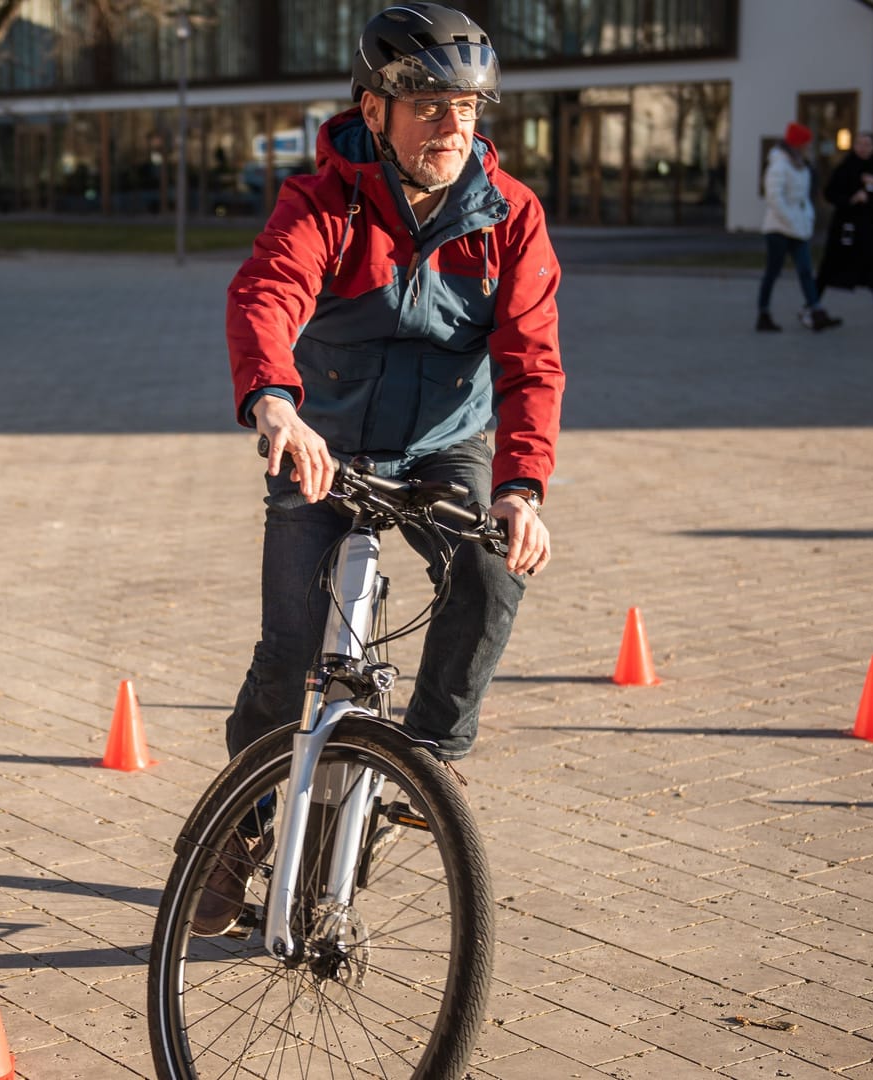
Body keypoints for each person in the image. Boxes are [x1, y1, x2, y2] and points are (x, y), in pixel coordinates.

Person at [202, 3, 561, 936]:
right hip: (322, 441)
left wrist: (522, 488)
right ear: (376, 110)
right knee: (287, 661)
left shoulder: (511, 216)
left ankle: (424, 767)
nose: (454, 128)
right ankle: (235, 835)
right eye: (432, 107)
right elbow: (269, 291)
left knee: (491, 569)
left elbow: (531, 361)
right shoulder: (322, 202)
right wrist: (274, 401)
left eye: (470, 110)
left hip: (448, 442)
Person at [757, 122, 841, 333]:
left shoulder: (802, 166)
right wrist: (791, 221)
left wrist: (806, 218)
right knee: (772, 272)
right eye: (807, 144)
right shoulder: (779, 166)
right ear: (798, 144)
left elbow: (803, 198)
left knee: (805, 270)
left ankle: (816, 310)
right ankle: (763, 313)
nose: (809, 148)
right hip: (778, 229)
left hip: (799, 227)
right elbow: (775, 199)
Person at [819, 132, 873, 329]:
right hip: (845, 228)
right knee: (830, 266)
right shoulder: (844, 168)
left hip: (867, 229)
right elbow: (830, 193)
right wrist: (851, 198)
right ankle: (811, 306)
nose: (863, 148)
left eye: (868, 145)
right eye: (860, 144)